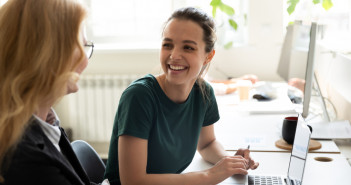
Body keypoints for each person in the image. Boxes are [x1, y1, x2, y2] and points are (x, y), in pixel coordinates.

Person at [104, 7, 259, 185]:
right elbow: (133, 181)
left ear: (208, 56)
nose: (174, 55)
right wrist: (210, 175)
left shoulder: (203, 93)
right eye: (167, 45)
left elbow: (207, 144)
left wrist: (230, 162)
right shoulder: (139, 96)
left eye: (188, 47)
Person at [0, 0, 107, 184]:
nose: (85, 60)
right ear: (45, 54)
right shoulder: (27, 161)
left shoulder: (42, 122)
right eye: (79, 46)